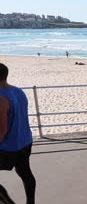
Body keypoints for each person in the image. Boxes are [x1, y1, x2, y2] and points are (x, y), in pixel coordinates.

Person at [0, 63, 36, 204]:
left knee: (24, 172)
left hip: (8, 148)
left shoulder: (1, 98)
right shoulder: (18, 91)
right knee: (25, 173)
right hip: (25, 142)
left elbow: (2, 131)